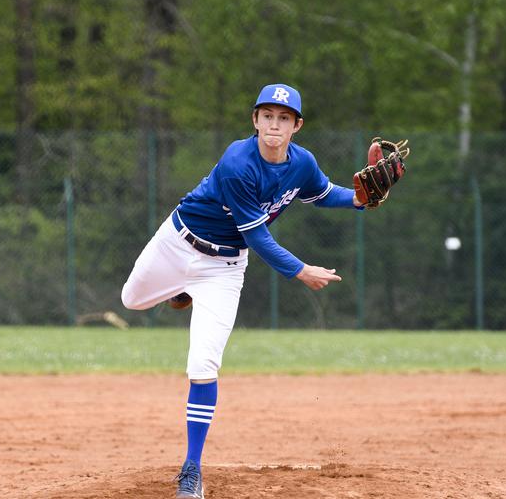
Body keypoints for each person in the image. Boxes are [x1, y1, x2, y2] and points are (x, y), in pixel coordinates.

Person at [120, 83, 364, 498]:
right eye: (267, 115)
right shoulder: (238, 161)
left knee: (203, 367)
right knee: (132, 300)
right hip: (178, 242)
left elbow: (323, 194)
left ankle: (191, 470)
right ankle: (182, 290)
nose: (274, 123)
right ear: (255, 121)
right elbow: (260, 238)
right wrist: (301, 270)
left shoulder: (302, 163)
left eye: (284, 118)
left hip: (223, 269)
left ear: (296, 126)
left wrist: (360, 199)